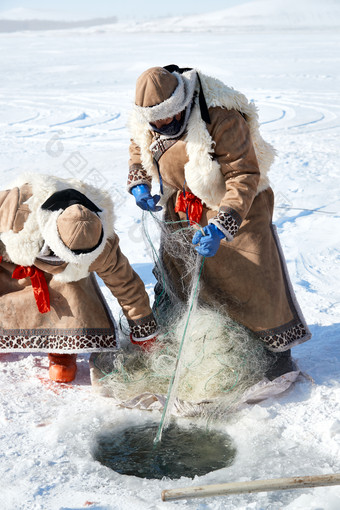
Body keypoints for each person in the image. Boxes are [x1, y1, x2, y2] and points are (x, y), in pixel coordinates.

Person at [127, 65, 311, 377]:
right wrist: (139, 182)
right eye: (154, 122)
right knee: (187, 280)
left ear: (181, 105)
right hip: (183, 207)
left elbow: (243, 174)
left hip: (239, 207)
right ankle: (205, 344)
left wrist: (221, 226)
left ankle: (272, 351)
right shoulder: (148, 119)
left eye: (167, 118)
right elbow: (138, 146)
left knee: (252, 281)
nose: (161, 125)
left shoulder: (221, 117)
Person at [0, 174, 158, 383]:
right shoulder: (15, 210)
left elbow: (126, 285)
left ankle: (63, 351)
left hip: (68, 281)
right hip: (14, 256)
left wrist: (144, 331)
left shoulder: (102, 245)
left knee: (70, 288)